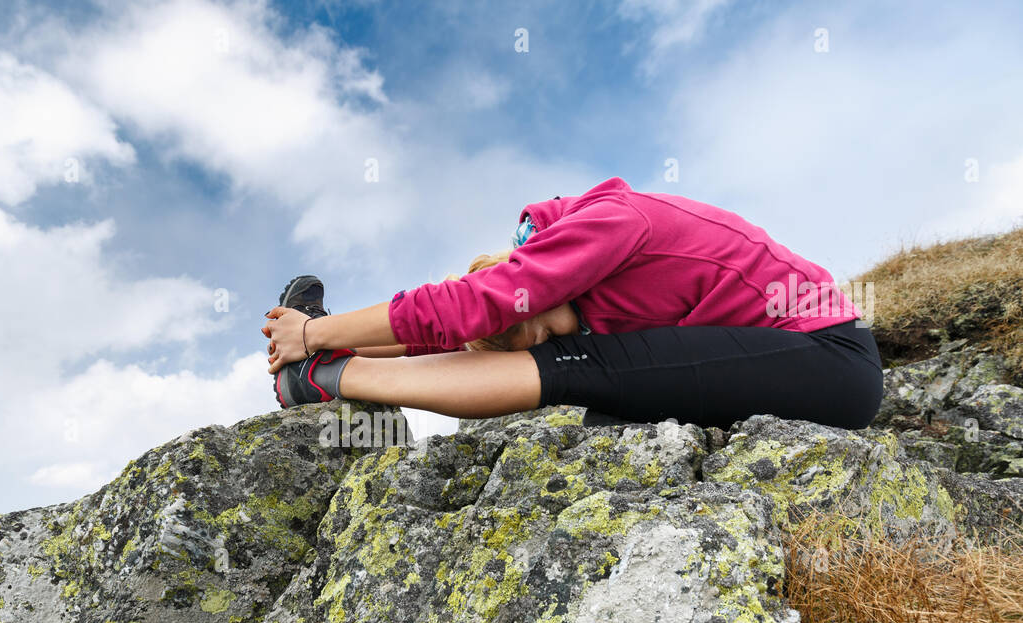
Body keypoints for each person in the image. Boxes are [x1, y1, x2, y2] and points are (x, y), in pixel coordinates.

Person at [262, 177, 883, 429]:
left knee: (586, 368)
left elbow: (470, 308)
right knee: (586, 364)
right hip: (775, 357)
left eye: (514, 327)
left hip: (831, 358)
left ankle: (329, 376)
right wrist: (325, 329)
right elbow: (451, 332)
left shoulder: (607, 223)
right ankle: (330, 368)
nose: (525, 338)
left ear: (534, 283)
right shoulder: (558, 293)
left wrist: (314, 340)